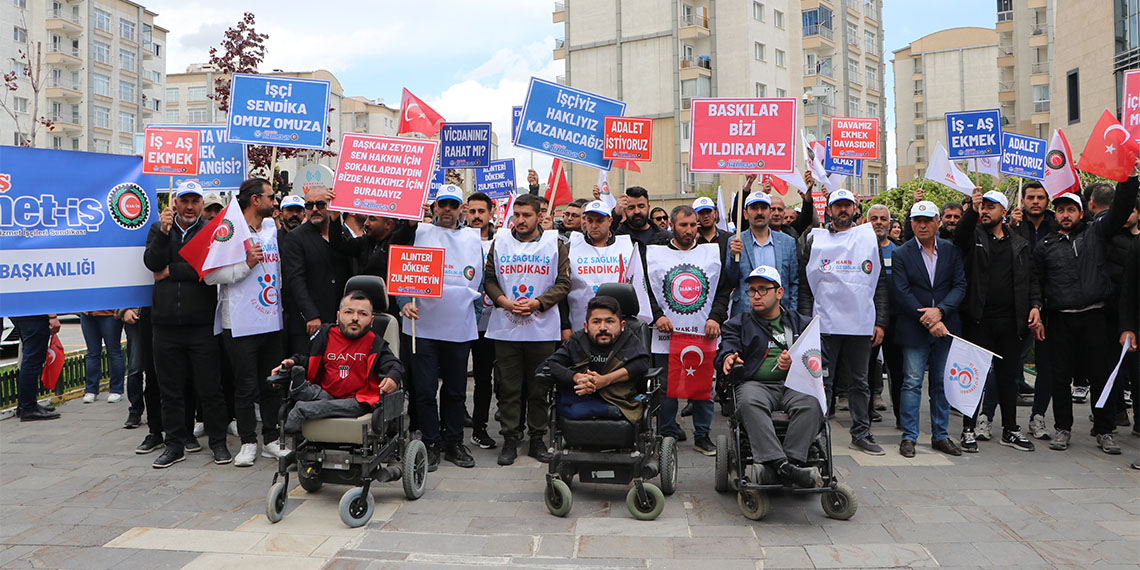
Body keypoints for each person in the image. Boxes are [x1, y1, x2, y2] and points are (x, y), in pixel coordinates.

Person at [1033, 168, 1138, 454]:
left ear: (1082, 212)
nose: (1065, 215)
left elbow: (1122, 208)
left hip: (1094, 317)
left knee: (1100, 374)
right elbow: (1036, 283)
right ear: (1055, 215)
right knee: (1060, 376)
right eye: (1061, 210)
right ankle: (1062, 428)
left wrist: (1127, 175)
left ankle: (1104, 430)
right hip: (1060, 319)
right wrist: (1036, 309)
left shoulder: (1097, 233)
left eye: (1071, 209)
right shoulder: (1044, 246)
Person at [142, 180, 231, 467]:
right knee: (171, 390)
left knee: (210, 388)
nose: (190, 206)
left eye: (195, 201)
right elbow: (152, 263)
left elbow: (204, 269)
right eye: (185, 201)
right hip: (165, 325)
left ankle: (218, 442)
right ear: (175, 203)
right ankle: (174, 445)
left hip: (201, 325)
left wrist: (171, 270)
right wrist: (165, 233)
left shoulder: (209, 232)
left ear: (202, 205)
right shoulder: (159, 229)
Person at [398, 185, 483, 470]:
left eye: (453, 205)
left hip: (458, 326)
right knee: (423, 389)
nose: (447, 209)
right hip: (422, 326)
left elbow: (480, 282)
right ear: (434, 207)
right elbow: (401, 270)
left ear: (462, 208)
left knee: (457, 389)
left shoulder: (473, 238)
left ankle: (454, 441)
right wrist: (402, 303)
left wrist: (475, 312)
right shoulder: (418, 234)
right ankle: (431, 442)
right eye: (442, 204)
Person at [797, 189, 889, 455]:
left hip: (860, 324)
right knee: (822, 382)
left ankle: (861, 432)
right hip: (824, 324)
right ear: (828, 210)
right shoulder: (816, 240)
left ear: (855, 209)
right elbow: (805, 286)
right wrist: (806, 321)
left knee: (860, 382)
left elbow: (880, 283)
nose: (842, 210)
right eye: (837, 206)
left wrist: (880, 321)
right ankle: (816, 434)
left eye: (847, 205)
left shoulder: (868, 237)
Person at [715, 265, 823, 488]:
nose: (756, 295)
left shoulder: (801, 323)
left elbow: (821, 357)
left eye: (763, 289)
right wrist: (728, 358)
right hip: (757, 384)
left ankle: (789, 461)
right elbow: (726, 349)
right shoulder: (737, 324)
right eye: (752, 290)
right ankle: (781, 465)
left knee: (812, 404)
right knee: (748, 402)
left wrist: (796, 362)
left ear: (779, 292)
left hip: (794, 384)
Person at [204, 178, 287, 467]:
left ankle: (272, 440)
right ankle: (249, 442)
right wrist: (244, 266)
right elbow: (211, 275)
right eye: (270, 197)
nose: (274, 202)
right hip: (239, 322)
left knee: (272, 385)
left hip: (270, 319)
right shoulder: (229, 228)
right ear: (255, 200)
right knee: (245, 386)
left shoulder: (271, 229)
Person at [484, 193, 571, 465]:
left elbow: (564, 283)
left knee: (539, 386)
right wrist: (504, 302)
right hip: (506, 326)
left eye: (526, 215)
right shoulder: (500, 241)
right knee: (508, 387)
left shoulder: (554, 243)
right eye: (516, 215)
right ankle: (510, 438)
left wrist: (538, 303)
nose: (520, 220)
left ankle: (536, 438)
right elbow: (489, 279)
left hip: (541, 328)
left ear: (538, 216)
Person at [953, 189, 1039, 453]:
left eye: (992, 206)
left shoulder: (1019, 242)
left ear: (1004, 212)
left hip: (1011, 321)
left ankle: (1010, 429)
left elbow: (1031, 278)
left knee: (1007, 377)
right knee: (974, 377)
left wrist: (1035, 305)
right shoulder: (975, 236)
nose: (986, 210)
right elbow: (959, 236)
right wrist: (971, 209)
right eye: (984, 206)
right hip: (979, 320)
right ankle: (968, 428)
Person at [645, 206, 732, 455]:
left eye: (693, 225)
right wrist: (657, 315)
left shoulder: (712, 253)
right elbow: (647, 291)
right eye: (684, 225)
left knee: (703, 386)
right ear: (671, 225)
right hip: (667, 335)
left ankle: (703, 435)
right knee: (666, 386)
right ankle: (668, 433)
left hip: (702, 334)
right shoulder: (655, 255)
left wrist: (716, 317)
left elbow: (722, 291)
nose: (690, 230)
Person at [891, 200, 968, 457]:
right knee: (912, 382)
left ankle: (941, 435)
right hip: (915, 328)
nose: (922, 225)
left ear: (937, 222)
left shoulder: (951, 251)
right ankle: (909, 437)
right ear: (911, 223)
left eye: (927, 220)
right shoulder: (901, 253)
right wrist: (928, 319)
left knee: (941, 383)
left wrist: (941, 312)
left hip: (946, 328)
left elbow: (960, 285)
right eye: (917, 220)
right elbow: (901, 292)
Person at [276, 291, 402, 433]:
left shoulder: (375, 343)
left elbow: (394, 364)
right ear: (338, 316)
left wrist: (393, 377)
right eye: (348, 312)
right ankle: (301, 389)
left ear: (372, 321)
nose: (355, 318)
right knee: (313, 392)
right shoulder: (325, 335)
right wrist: (292, 362)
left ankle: (300, 403)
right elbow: (308, 358)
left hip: (356, 401)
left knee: (302, 407)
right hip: (326, 394)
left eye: (362, 314)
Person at [544, 295, 650, 423]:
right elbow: (552, 363)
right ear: (586, 326)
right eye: (596, 322)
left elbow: (642, 363)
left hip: (618, 398)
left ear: (622, 325)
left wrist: (605, 380)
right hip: (582, 395)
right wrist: (577, 377)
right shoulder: (578, 340)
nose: (603, 328)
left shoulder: (628, 338)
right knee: (566, 406)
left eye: (610, 321)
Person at [1011, 181, 1059, 438]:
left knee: (1046, 365)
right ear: (1023, 200)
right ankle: (997, 417)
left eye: (1040, 197)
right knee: (1009, 361)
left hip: (1050, 305)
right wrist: (1011, 227)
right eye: (1031, 197)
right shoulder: (1014, 226)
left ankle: (1038, 415)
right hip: (1018, 303)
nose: (1036, 201)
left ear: (1047, 201)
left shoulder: (1056, 225)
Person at [560, 200, 647, 342]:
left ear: (610, 221)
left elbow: (639, 286)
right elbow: (562, 289)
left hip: (619, 327)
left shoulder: (627, 247)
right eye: (589, 220)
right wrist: (564, 326)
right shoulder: (570, 248)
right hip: (580, 327)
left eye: (600, 220)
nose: (594, 226)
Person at [280, 196, 351, 354]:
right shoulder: (296, 237)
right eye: (309, 205)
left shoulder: (343, 233)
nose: (314, 209)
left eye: (320, 204)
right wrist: (310, 315)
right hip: (310, 323)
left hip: (341, 320)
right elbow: (295, 279)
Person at [727, 192, 799, 315]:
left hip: (779, 315)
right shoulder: (736, 242)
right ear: (745, 213)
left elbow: (794, 282)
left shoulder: (787, 242)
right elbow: (730, 281)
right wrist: (734, 257)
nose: (759, 212)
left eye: (764, 208)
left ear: (770, 212)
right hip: (745, 314)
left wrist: (791, 314)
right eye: (754, 208)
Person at [865, 204, 898, 420]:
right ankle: (866, 411)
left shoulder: (900, 250)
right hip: (867, 318)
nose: (878, 222)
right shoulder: (860, 249)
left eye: (883, 219)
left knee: (897, 370)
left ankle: (902, 414)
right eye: (874, 218)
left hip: (895, 319)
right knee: (866, 369)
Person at [10, 314, 61, 421]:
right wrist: (52, 316)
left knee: (30, 358)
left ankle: (25, 404)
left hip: (20, 313)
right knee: (33, 360)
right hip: (34, 315)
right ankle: (28, 407)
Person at [79, 309, 124, 403]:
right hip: (87, 313)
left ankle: (116, 390)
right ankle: (91, 390)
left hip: (109, 313)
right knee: (92, 353)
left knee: (114, 352)